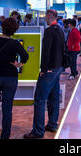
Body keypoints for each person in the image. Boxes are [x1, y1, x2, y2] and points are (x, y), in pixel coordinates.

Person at [24, 9, 64, 139]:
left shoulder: (49, 31)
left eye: (45, 17)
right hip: (58, 68)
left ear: (49, 16)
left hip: (50, 69)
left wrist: (44, 69)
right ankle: (52, 123)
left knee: (40, 99)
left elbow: (45, 53)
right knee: (53, 97)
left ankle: (38, 131)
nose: (44, 19)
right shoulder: (60, 30)